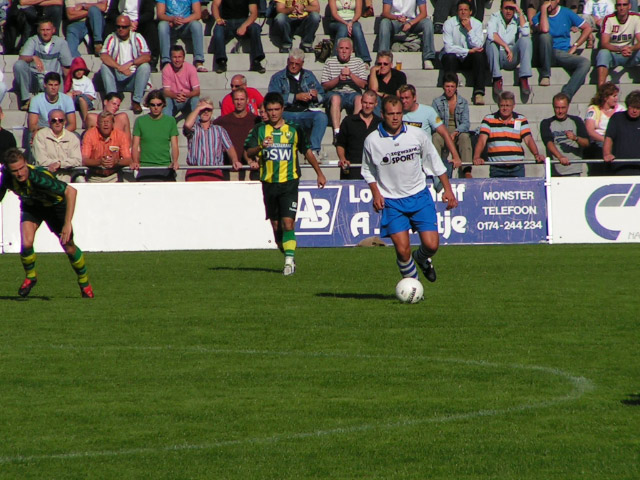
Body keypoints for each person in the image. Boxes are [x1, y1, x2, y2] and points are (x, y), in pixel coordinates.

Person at [361, 95, 458, 283]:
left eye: (399, 113)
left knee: (431, 245)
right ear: (382, 114)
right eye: (391, 114)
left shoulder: (417, 134)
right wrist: (376, 193)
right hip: (392, 201)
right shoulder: (372, 140)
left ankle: (421, 258)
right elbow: (367, 171)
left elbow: (435, 162)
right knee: (402, 251)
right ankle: (414, 288)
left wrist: (448, 190)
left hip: (419, 196)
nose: (395, 117)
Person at [244, 92, 327, 276]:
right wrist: (260, 148)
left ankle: (288, 263)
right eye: (270, 110)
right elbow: (248, 152)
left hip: (289, 183)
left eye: (276, 109)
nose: (273, 113)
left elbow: (307, 151)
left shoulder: (294, 129)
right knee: (276, 229)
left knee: (288, 223)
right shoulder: (259, 130)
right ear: (265, 110)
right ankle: (289, 256)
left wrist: (319, 174)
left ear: (282, 109)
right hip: (269, 183)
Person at [0, 148, 94, 298]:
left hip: (55, 207)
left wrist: (67, 223)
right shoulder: (7, 178)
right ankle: (31, 277)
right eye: (15, 171)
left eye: (22, 168)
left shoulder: (39, 178)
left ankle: (84, 283)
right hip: (32, 206)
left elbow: (71, 192)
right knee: (27, 243)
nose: (20, 173)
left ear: (26, 163)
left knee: (69, 247)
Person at [268, 48, 328, 158]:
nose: (294, 66)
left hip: (306, 112)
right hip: (285, 114)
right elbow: (273, 99)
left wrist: (315, 96)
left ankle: (313, 151)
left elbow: (322, 96)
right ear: (287, 61)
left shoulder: (309, 76)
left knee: (321, 117)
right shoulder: (277, 77)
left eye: (297, 64)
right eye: (291, 63)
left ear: (302, 64)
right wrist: (295, 97)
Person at [473, 90, 544, 177]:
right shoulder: (488, 119)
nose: (505, 108)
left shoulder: (521, 119)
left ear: (513, 106)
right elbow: (482, 140)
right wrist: (476, 157)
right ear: (498, 105)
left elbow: (528, 139)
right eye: (502, 105)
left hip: (517, 167)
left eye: (508, 105)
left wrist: (536, 155)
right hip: (497, 168)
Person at [399, 84, 462, 176]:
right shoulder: (397, 114)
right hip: (404, 161)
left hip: (424, 161)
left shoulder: (428, 111)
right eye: (401, 98)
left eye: (407, 98)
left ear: (414, 98)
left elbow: (444, 133)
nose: (404, 101)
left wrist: (455, 156)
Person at [532, 0, 591, 99]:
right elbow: (545, 29)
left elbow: (587, 28)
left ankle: (566, 94)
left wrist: (575, 46)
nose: (549, 3)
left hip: (563, 53)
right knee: (545, 37)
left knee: (585, 63)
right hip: (546, 54)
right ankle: (545, 75)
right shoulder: (538, 16)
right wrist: (543, 10)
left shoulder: (566, 12)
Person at [12, 18, 72, 111]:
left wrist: (68, 87)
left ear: (53, 30)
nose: (45, 33)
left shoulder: (61, 43)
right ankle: (26, 100)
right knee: (19, 65)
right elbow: (22, 58)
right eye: (42, 30)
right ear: (38, 30)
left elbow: (67, 67)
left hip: (53, 80)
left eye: (48, 30)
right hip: (36, 79)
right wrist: (33, 57)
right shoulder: (33, 40)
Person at [100, 15, 152, 114]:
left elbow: (147, 56)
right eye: (118, 26)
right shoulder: (111, 37)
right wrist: (120, 67)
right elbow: (103, 56)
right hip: (116, 77)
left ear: (129, 27)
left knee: (145, 66)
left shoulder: (137, 37)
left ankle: (136, 101)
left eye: (124, 27)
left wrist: (130, 63)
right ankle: (112, 100)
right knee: (104, 67)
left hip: (132, 77)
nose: (120, 29)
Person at [321, 37, 369, 140]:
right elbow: (324, 86)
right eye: (341, 48)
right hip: (335, 92)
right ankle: (337, 133)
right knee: (335, 98)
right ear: (337, 49)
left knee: (359, 99)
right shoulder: (330, 61)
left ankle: (354, 131)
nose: (343, 51)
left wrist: (351, 75)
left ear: (352, 51)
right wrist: (338, 79)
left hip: (353, 93)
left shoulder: (358, 61)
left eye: (347, 48)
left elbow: (364, 85)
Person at [182, 98, 241, 181]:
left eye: (208, 110)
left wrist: (235, 160)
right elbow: (187, 125)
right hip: (195, 171)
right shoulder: (194, 128)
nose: (206, 112)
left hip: (214, 171)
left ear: (212, 111)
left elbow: (229, 148)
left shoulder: (219, 130)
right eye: (203, 109)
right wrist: (198, 108)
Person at [441, 0, 486, 106]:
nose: (463, 12)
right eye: (460, 10)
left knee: (479, 56)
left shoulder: (477, 24)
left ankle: (479, 92)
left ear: (470, 12)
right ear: (457, 12)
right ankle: (451, 92)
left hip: (470, 58)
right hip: (455, 57)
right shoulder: (449, 23)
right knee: (449, 57)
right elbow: (448, 48)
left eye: (465, 10)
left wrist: (469, 29)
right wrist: (468, 50)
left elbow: (479, 46)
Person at [486, 0, 532, 97]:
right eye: (506, 8)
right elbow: (491, 34)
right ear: (501, 9)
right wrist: (505, 46)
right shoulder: (495, 16)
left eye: (511, 8)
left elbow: (526, 32)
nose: (508, 11)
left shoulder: (518, 17)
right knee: (490, 42)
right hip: (497, 55)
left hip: (510, 57)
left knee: (526, 40)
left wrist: (520, 13)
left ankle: (523, 78)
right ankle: (497, 79)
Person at [131, 90, 179, 181]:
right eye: (153, 105)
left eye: (159, 104)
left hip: (165, 166)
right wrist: (135, 161)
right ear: (148, 105)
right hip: (145, 166)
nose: (156, 107)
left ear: (163, 105)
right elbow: (135, 145)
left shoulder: (170, 121)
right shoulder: (140, 121)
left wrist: (175, 161)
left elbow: (174, 145)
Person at [213, 87, 260, 180]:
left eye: (242, 99)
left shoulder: (256, 120)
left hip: (250, 170)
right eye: (236, 99)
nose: (239, 102)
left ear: (247, 101)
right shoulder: (222, 121)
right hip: (229, 170)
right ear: (233, 101)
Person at [540, 92, 589, 176]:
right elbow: (548, 142)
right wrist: (560, 157)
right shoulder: (546, 123)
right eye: (557, 108)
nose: (560, 111)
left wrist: (575, 138)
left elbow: (586, 143)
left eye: (563, 108)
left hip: (573, 169)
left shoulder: (576, 121)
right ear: (553, 107)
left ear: (568, 107)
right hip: (555, 170)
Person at [377, 0, 437, 70]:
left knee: (428, 23)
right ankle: (383, 58)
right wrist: (396, 17)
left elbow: (423, 13)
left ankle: (428, 58)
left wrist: (411, 23)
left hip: (413, 21)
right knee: (384, 23)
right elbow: (385, 12)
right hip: (395, 21)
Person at [431, 72, 473, 171]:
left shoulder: (463, 102)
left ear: (456, 87)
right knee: (435, 137)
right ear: (443, 87)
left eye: (452, 86)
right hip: (442, 131)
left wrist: (455, 132)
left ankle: (466, 169)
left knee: (465, 137)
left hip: (457, 131)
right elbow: (434, 122)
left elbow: (466, 123)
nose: (450, 89)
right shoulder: (437, 102)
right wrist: (445, 134)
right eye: (447, 86)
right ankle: (436, 169)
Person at [335, 89, 381, 179]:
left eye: (371, 103)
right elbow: (340, 143)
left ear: (376, 104)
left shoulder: (380, 123)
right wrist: (342, 158)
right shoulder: (348, 121)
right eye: (365, 102)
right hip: (352, 169)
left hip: (374, 170)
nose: (367, 106)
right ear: (361, 102)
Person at [210, 0, 266, 74]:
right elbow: (214, 5)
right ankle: (221, 62)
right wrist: (218, 19)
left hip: (243, 20)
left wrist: (244, 26)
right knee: (218, 29)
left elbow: (254, 13)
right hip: (226, 21)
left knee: (255, 28)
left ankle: (256, 61)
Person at [103, 0, 160, 71]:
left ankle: (152, 60)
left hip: (139, 22)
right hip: (122, 21)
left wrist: (137, 22)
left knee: (151, 27)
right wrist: (125, 21)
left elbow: (149, 13)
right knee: (109, 26)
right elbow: (111, 12)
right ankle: (109, 55)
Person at [595, 0, 640, 87]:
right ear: (616, 7)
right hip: (613, 54)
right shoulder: (608, 19)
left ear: (629, 6)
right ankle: (601, 90)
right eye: (619, 5)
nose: (622, 8)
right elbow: (604, 43)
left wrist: (631, 48)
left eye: (624, 5)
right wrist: (620, 49)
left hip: (630, 54)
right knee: (603, 53)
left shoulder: (636, 17)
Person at [32, 109, 82, 182]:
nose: (57, 123)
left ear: (65, 122)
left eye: (60, 120)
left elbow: (77, 160)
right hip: (47, 176)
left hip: (68, 176)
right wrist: (63, 163)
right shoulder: (40, 135)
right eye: (54, 120)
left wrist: (60, 164)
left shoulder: (72, 138)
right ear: (49, 122)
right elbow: (41, 161)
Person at [584, 82, 624, 172]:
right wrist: (606, 141)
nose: (616, 99)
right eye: (614, 96)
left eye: (617, 96)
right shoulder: (593, 109)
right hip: (599, 142)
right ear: (606, 97)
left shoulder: (621, 109)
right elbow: (590, 131)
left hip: (616, 141)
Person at [156, 0, 207, 72]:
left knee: (197, 25)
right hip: (170, 25)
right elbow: (160, 14)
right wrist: (172, 19)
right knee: (162, 25)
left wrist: (184, 20)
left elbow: (197, 14)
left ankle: (199, 61)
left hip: (186, 25)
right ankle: (166, 61)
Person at [81, 111, 132, 182]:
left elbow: (128, 160)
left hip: (115, 175)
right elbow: (84, 160)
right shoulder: (89, 135)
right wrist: (99, 162)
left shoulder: (121, 135)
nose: (105, 124)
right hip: (94, 176)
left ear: (113, 124)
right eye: (102, 122)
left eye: (108, 122)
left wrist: (116, 162)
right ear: (97, 124)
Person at [28, 72, 76, 139]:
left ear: (59, 85)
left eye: (56, 85)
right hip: (43, 131)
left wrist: (60, 134)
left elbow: (72, 124)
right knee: (32, 135)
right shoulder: (36, 100)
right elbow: (32, 125)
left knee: (76, 136)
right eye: (50, 85)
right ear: (45, 85)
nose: (53, 88)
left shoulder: (67, 99)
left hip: (62, 131)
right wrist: (49, 133)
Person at [602, 89, 640, 175]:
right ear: (627, 106)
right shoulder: (617, 118)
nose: (634, 111)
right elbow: (609, 138)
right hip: (620, 167)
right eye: (632, 107)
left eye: (638, 108)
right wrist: (607, 154)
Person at [162, 45, 201, 118]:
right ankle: (166, 126)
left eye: (179, 57)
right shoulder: (166, 69)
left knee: (195, 99)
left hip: (187, 100)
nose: (177, 60)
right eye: (174, 57)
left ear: (184, 58)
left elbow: (197, 91)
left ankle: (197, 126)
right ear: (170, 58)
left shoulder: (191, 68)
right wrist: (176, 96)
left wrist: (186, 95)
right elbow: (166, 91)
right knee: (166, 100)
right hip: (173, 100)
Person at [368, 50, 407, 116]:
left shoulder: (399, 76)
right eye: (379, 64)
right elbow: (373, 92)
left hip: (394, 107)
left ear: (391, 65)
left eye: (385, 64)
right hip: (379, 107)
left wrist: (382, 95)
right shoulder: (373, 76)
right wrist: (372, 71)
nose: (382, 66)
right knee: (375, 98)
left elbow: (398, 98)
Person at [64, 57, 96, 129]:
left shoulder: (87, 80)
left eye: (81, 70)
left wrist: (81, 94)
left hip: (86, 102)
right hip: (74, 102)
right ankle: (68, 119)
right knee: (68, 95)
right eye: (77, 70)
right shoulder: (70, 80)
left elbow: (92, 96)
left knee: (81, 99)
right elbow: (66, 91)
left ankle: (85, 121)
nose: (79, 72)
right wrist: (72, 93)